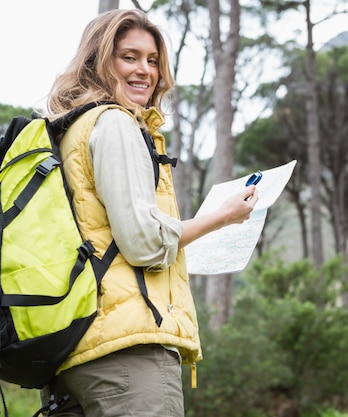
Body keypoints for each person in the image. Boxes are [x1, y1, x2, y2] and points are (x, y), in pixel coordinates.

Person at [41, 8, 259, 417]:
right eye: (129, 57)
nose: (145, 70)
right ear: (98, 61)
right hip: (129, 354)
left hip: (75, 352)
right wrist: (223, 217)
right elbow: (144, 243)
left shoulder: (71, 129)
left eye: (153, 60)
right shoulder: (115, 124)